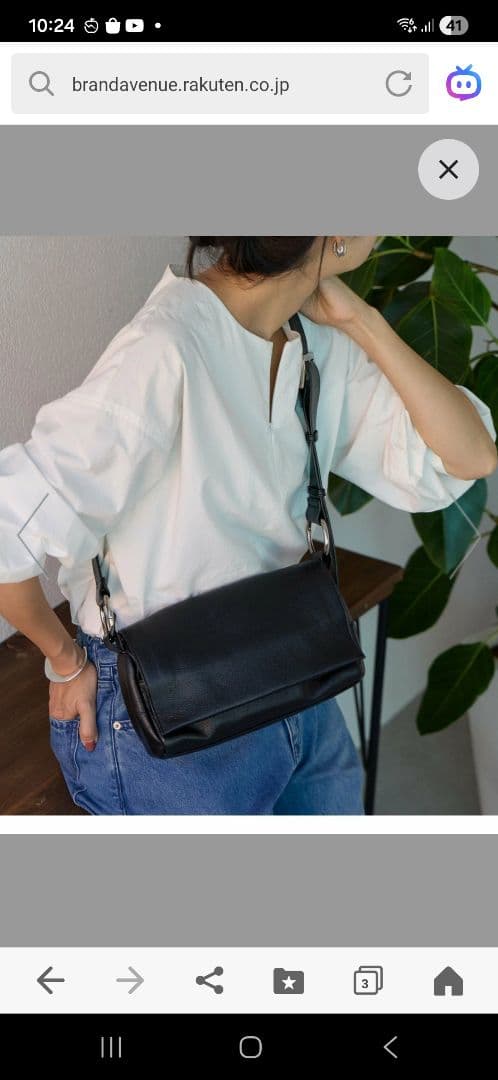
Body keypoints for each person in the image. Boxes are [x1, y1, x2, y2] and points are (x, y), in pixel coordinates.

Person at [0, 236, 496, 815]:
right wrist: (66, 663)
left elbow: (468, 456)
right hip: (164, 712)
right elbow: (9, 532)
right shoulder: (166, 348)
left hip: (291, 669)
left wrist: (361, 320)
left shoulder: (311, 340)